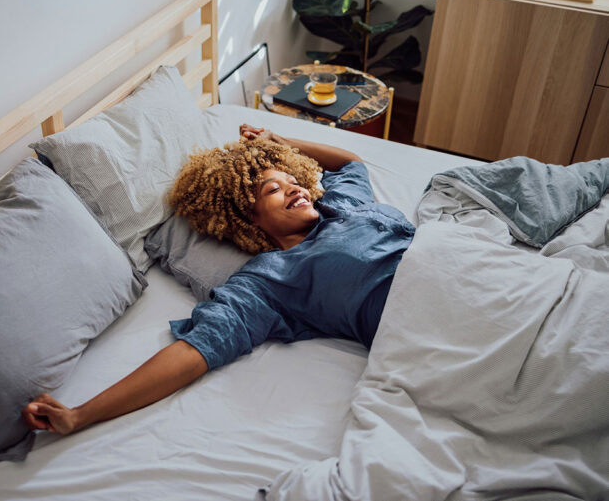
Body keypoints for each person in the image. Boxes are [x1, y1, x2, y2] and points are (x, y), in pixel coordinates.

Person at [21, 124, 414, 435]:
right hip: (419, 316)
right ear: (249, 219)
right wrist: (80, 415)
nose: (294, 187)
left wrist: (280, 140)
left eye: (292, 180)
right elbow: (195, 351)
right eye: (272, 190)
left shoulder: (339, 202)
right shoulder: (271, 281)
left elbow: (351, 165)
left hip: (454, 259)